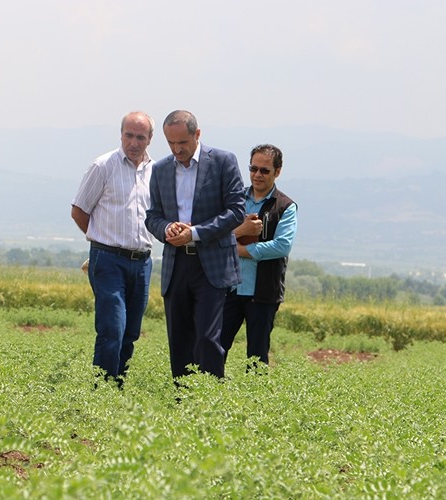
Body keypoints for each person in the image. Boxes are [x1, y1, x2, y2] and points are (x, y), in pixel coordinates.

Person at [145, 110, 245, 379]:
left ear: (197, 135)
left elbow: (236, 211)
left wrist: (196, 233)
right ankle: (183, 407)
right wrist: (167, 228)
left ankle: (210, 401)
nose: (177, 149)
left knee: (207, 338)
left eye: (183, 143)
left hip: (211, 264)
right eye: (171, 144)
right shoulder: (161, 169)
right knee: (179, 340)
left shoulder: (223, 162)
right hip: (176, 264)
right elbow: (152, 216)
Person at [71, 111, 155, 386]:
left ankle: (117, 387)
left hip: (142, 262)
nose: (133, 142)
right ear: (121, 135)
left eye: (140, 137)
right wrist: (100, 238)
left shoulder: (157, 171)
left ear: (150, 139)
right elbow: (79, 211)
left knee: (131, 332)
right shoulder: (103, 166)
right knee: (112, 329)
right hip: (108, 259)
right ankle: (102, 393)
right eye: (128, 135)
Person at [220, 144, 297, 369]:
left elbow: (282, 246)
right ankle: (209, 395)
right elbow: (216, 233)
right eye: (253, 169)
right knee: (215, 347)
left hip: (263, 293)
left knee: (257, 355)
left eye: (264, 170)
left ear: (277, 172)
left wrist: (240, 251)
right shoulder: (233, 200)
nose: (257, 175)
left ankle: (255, 401)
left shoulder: (285, 206)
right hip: (229, 289)